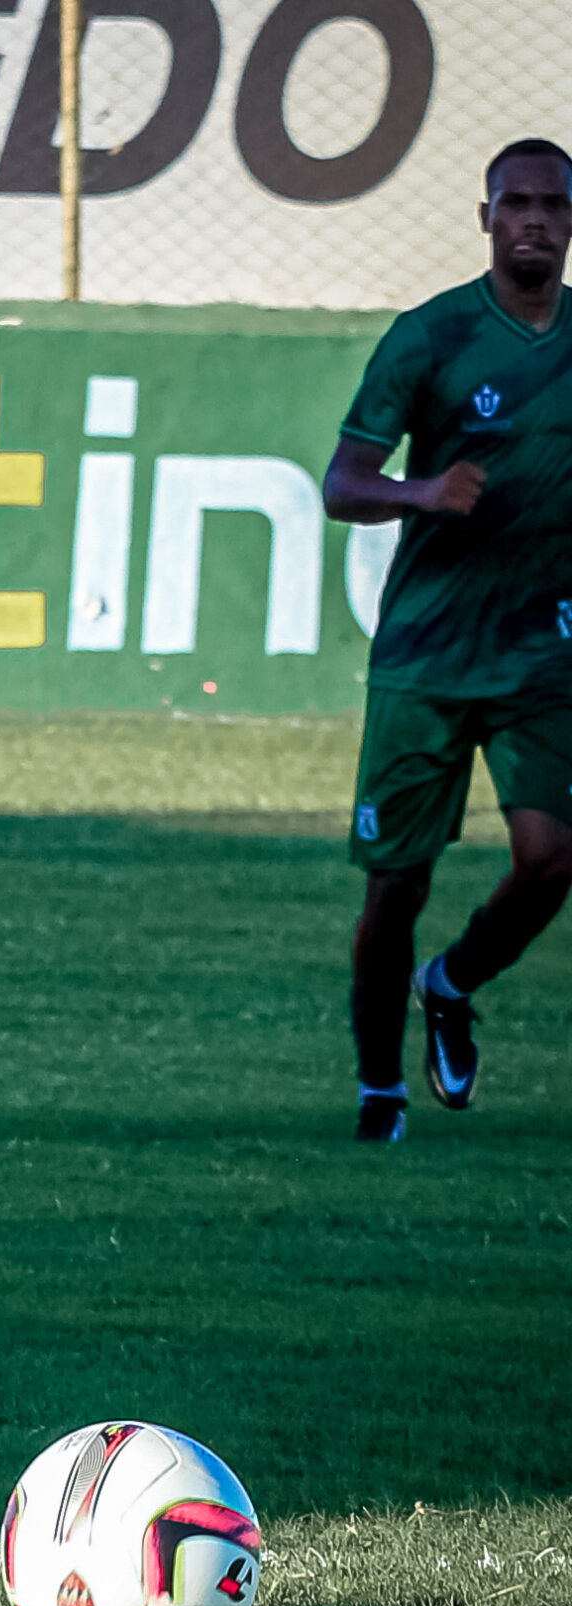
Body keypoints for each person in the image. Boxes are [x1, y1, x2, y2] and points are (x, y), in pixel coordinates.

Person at [324, 139, 572, 1143]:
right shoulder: (430, 337)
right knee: (396, 887)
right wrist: (420, 489)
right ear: (484, 218)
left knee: (553, 858)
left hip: (542, 653)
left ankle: (453, 981)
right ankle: (379, 1088)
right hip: (426, 656)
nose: (533, 222)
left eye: (552, 206)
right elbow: (342, 482)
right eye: (515, 203)